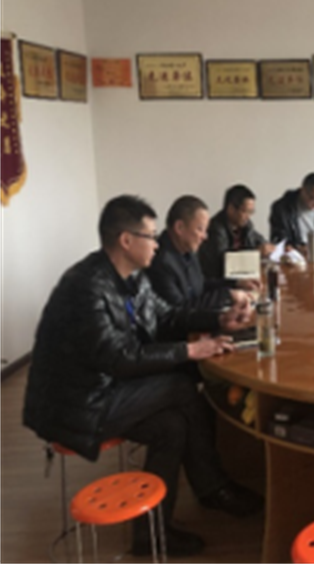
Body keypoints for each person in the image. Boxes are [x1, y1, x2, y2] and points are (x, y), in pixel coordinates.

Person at [23, 196, 263, 557]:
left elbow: (166, 317)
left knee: (171, 426)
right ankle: (213, 488)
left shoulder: (132, 277)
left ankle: (151, 532)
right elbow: (117, 358)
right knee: (182, 386)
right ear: (126, 240)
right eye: (150, 236)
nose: (157, 244)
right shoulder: (85, 287)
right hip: (76, 404)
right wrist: (189, 351)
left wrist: (220, 319)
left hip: (106, 390)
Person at [148, 195, 258, 311]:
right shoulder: (160, 262)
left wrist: (236, 283)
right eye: (200, 229)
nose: (205, 237)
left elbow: (201, 285)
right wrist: (227, 295)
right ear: (179, 227)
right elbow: (180, 311)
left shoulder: (187, 249)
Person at [198, 184, 270, 280]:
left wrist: (267, 247)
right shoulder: (215, 229)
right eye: (245, 211)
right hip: (221, 281)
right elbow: (225, 262)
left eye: (251, 212)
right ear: (231, 209)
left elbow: (259, 240)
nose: (248, 216)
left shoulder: (246, 225)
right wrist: (256, 253)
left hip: (243, 277)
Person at [269, 172, 314, 249]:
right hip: (294, 252)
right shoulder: (282, 208)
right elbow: (278, 238)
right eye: (312, 198)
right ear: (302, 190)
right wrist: (298, 247)